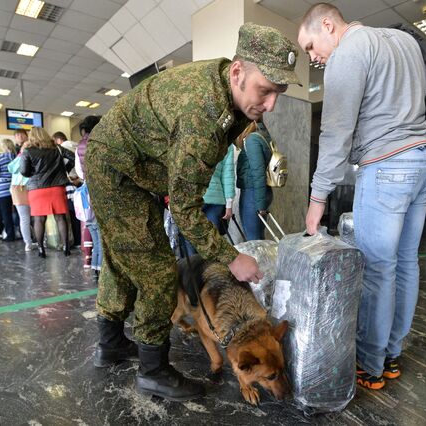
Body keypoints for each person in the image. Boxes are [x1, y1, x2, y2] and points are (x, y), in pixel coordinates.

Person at [85, 22, 300, 401]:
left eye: (278, 94)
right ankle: (153, 371)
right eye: (265, 91)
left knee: (123, 260)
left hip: (134, 168)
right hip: (118, 170)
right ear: (237, 72)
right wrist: (230, 258)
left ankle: (111, 344)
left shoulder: (225, 93)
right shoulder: (203, 113)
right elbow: (186, 209)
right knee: (157, 273)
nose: (270, 105)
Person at [298, 4, 426, 390]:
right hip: (425, 160)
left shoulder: (348, 53)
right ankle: (392, 354)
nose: (313, 58)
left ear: (328, 25)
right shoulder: (403, 40)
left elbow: (335, 132)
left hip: (387, 166)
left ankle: (370, 364)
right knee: (405, 263)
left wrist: (318, 198)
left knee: (378, 269)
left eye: (311, 46)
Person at [20, 127, 73, 258]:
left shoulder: (28, 151)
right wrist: (64, 170)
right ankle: (66, 247)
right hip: (56, 187)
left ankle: (41, 249)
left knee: (39, 220)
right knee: (60, 218)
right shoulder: (58, 148)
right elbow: (73, 157)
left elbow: (24, 172)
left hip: (37, 189)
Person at [178, 143, 236, 256]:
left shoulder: (190, 136)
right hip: (216, 199)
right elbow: (228, 174)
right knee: (212, 241)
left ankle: (194, 272)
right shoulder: (227, 143)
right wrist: (229, 205)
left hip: (191, 197)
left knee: (190, 238)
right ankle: (211, 272)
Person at [74, 116, 103, 281]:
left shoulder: (79, 146)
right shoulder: (102, 141)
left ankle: (96, 271)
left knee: (95, 235)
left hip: (88, 196)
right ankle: (103, 274)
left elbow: (79, 172)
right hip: (101, 193)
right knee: (103, 238)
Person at [236, 121, 274, 240]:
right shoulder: (263, 136)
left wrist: (260, 205)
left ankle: (258, 259)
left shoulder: (251, 140)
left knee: (254, 240)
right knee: (257, 239)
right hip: (259, 193)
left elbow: (258, 174)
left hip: (252, 194)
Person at [53, 131, 81, 248]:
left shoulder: (62, 147)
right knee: (80, 213)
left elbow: (68, 162)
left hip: (69, 183)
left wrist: (66, 171)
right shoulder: (77, 145)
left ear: (58, 140)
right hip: (79, 181)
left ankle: (75, 241)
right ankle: (81, 240)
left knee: (71, 214)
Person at [8, 144, 34, 251]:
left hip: (19, 188)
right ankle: (35, 241)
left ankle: (29, 243)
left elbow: (11, 169)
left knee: (25, 218)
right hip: (28, 187)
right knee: (34, 217)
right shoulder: (29, 156)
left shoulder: (19, 158)